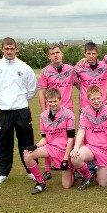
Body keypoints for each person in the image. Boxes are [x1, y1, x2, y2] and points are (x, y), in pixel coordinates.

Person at [0, 37, 37, 185]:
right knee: (3, 142)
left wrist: (21, 102)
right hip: (3, 111)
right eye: (6, 49)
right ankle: (3, 173)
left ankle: (32, 170)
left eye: (12, 48)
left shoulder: (25, 68)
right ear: (2, 49)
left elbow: (32, 89)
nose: (9, 51)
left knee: (26, 141)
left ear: (16, 49)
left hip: (22, 110)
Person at [23, 88, 75, 194]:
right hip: (51, 148)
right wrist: (35, 146)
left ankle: (72, 170)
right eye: (50, 101)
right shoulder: (43, 116)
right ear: (46, 101)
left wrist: (65, 159)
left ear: (60, 100)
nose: (53, 104)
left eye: (55, 101)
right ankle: (41, 182)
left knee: (66, 186)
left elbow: (71, 138)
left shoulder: (69, 115)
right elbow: (44, 139)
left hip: (65, 150)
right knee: (28, 155)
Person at [38, 44, 76, 180]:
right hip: (51, 111)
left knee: (70, 139)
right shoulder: (45, 72)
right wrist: (45, 112)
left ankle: (72, 166)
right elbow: (42, 92)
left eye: (58, 52)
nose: (55, 55)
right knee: (49, 139)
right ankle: (48, 170)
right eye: (52, 53)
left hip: (68, 110)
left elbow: (80, 84)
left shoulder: (71, 70)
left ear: (62, 54)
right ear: (49, 56)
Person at [70, 85, 107, 190]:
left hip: (105, 149)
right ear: (88, 99)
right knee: (75, 158)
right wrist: (76, 148)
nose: (96, 101)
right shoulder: (84, 112)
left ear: (102, 97)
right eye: (93, 99)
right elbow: (81, 130)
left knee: (103, 183)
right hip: (90, 147)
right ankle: (88, 176)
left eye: (98, 98)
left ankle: (101, 169)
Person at [74, 42, 107, 111]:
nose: (91, 56)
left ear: (97, 54)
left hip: (103, 104)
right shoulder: (79, 67)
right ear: (84, 54)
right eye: (88, 53)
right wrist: (82, 87)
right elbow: (74, 81)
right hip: (85, 106)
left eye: (93, 53)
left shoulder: (105, 66)